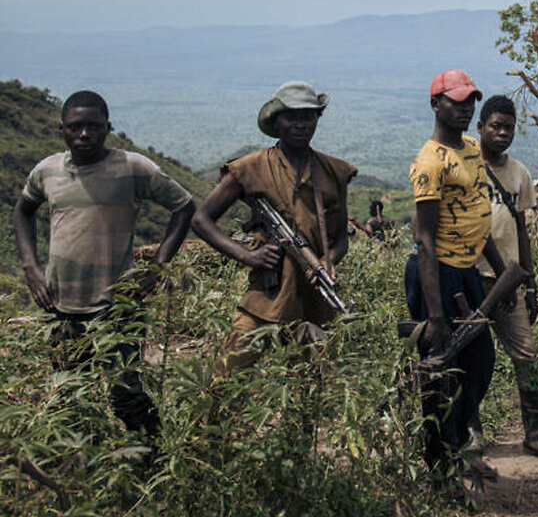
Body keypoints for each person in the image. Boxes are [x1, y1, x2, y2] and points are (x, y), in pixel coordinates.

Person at [14, 90, 195, 438]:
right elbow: (23, 210)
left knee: (126, 396)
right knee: (69, 393)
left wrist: (158, 265)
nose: (84, 134)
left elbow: (183, 207)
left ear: (108, 127)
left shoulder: (131, 167)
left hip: (117, 306)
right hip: (59, 304)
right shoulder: (47, 170)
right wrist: (30, 268)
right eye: (75, 127)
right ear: (61, 129)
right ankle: (83, 466)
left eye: (93, 126)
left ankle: (152, 463)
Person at [192, 82, 357, 375]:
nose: (300, 124)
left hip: (314, 299)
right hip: (266, 298)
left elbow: (341, 239)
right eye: (291, 116)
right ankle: (215, 422)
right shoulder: (249, 167)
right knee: (226, 378)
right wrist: (248, 256)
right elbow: (201, 220)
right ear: (276, 120)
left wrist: (327, 262)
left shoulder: (334, 172)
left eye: (308, 116)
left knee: (310, 388)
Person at [406, 69, 516, 477]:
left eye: (471, 101)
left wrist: (503, 272)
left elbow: (478, 215)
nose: (466, 109)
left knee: (481, 360)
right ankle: (441, 465)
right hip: (438, 273)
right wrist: (435, 316)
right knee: (440, 369)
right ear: (436, 104)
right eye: (456, 101)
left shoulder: (471, 148)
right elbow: (426, 242)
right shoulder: (429, 163)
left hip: (469, 270)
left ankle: (459, 444)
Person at [472, 94, 538, 463]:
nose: (502, 133)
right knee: (473, 361)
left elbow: (522, 230)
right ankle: (471, 431)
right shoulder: (467, 168)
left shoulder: (519, 173)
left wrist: (530, 284)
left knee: (527, 357)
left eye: (508, 128)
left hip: (510, 283)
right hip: (472, 280)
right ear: (480, 128)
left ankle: (536, 434)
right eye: (495, 126)